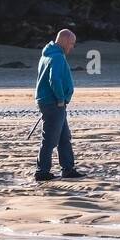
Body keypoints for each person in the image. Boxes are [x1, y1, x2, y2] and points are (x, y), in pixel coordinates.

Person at [34, 28, 83, 182]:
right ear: (65, 41)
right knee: (50, 139)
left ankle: (68, 169)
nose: (72, 47)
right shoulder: (57, 57)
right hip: (53, 103)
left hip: (50, 102)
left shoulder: (49, 55)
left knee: (63, 137)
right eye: (72, 44)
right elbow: (54, 79)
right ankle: (42, 172)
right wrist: (61, 98)